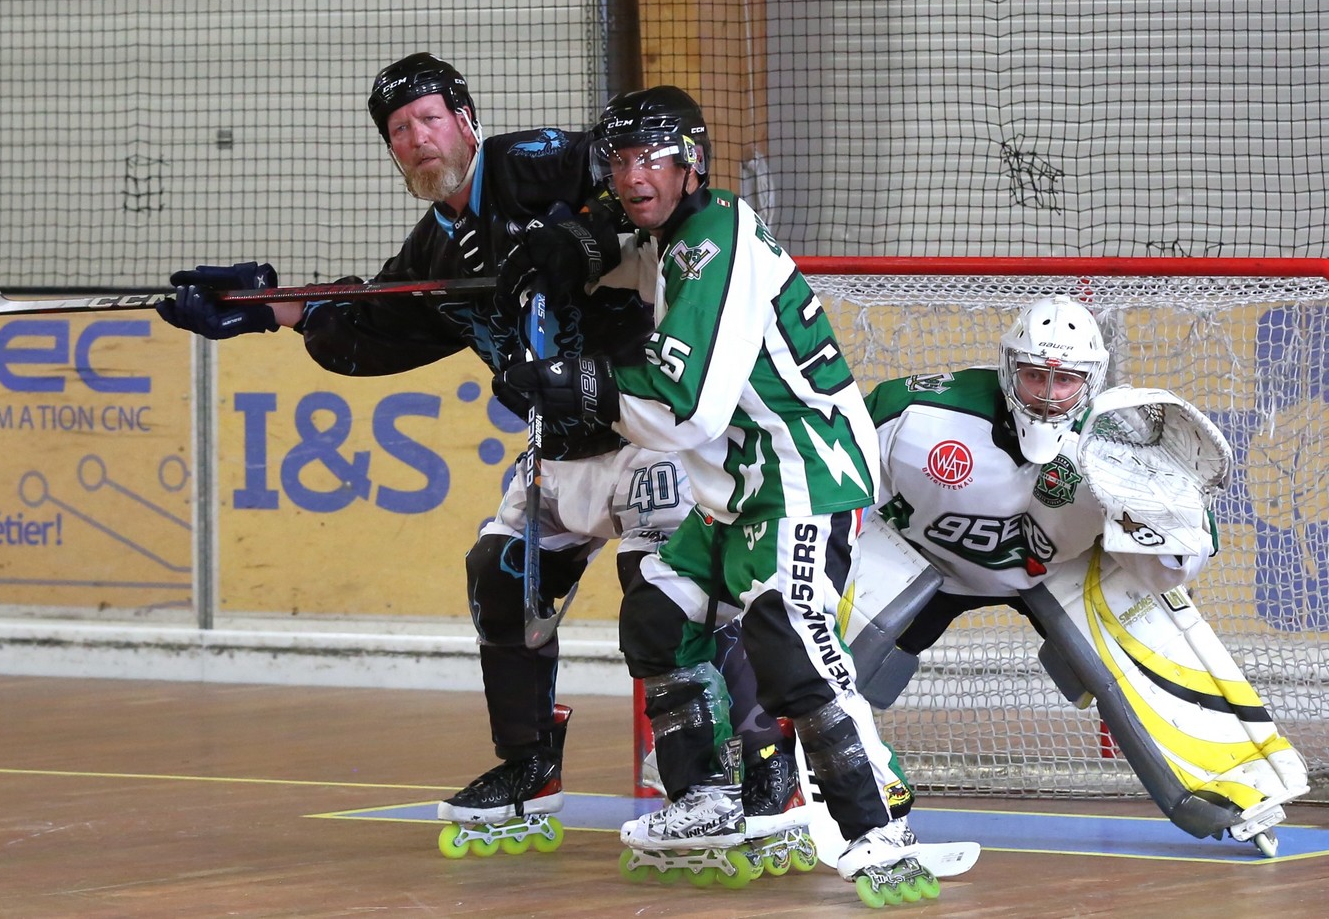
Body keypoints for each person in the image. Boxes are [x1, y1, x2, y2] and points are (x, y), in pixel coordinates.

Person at [152, 54, 799, 847]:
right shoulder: (433, 253)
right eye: (399, 131)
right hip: (557, 450)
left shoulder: (533, 163)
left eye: (429, 118)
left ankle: (750, 767)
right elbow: (367, 329)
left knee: (668, 600)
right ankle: (530, 766)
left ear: (464, 120)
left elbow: (630, 174)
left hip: (645, 429)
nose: (418, 139)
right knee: (498, 576)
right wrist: (267, 305)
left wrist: (576, 238)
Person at [502, 86, 950, 896]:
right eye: (620, 160)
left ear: (692, 163)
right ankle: (706, 797)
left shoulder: (715, 243)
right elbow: (636, 259)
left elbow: (686, 405)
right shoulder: (680, 238)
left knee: (790, 639)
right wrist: (571, 251)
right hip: (741, 487)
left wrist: (575, 382)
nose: (633, 175)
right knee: (658, 611)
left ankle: (879, 825)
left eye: (651, 157)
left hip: (802, 477)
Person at [857, 294, 1307, 855]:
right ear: (1008, 368)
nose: (1048, 395)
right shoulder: (914, 413)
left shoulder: (1124, 442)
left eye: (1065, 380)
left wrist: (1159, 524)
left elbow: (1174, 569)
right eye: (1035, 376)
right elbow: (827, 482)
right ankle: (794, 771)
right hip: (926, 556)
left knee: (1147, 655)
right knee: (819, 646)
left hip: (1057, 569)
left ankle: (1236, 785)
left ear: (1089, 381)